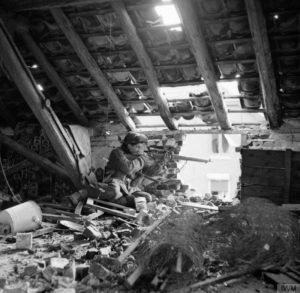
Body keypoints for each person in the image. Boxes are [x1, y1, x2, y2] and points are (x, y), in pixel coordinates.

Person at [94, 132, 162, 208]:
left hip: (126, 188)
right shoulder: (117, 152)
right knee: (114, 193)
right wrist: (142, 160)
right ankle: (123, 203)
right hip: (112, 183)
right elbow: (128, 169)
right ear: (129, 145)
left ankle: (123, 202)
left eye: (142, 148)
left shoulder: (136, 157)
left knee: (147, 197)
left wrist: (142, 175)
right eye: (138, 147)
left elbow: (133, 184)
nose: (140, 150)